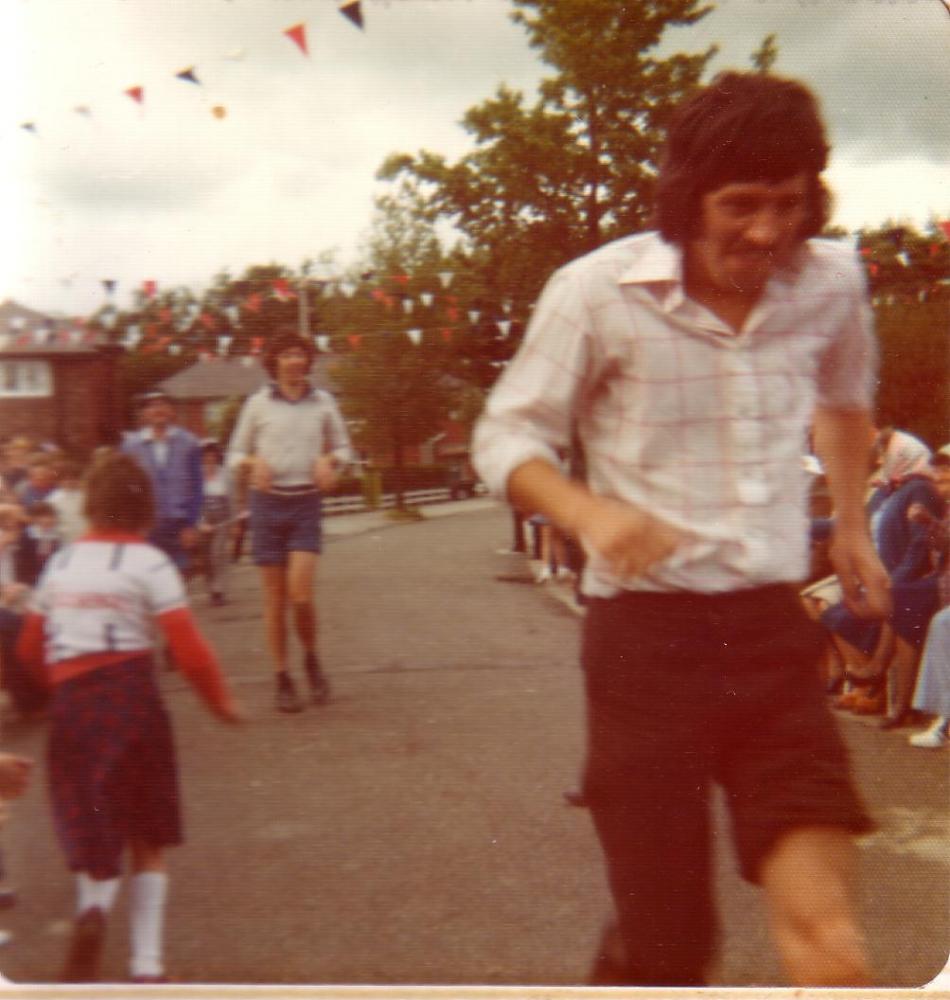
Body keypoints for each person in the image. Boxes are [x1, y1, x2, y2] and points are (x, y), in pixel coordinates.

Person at [473, 71, 889, 988]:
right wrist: (587, 513)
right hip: (643, 650)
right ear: (683, 197)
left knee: (833, 942)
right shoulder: (597, 293)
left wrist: (854, 524)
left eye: (789, 205)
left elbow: (847, 401)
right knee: (671, 952)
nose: (768, 233)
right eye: (740, 205)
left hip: (775, 640)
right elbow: (505, 435)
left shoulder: (830, 284)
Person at [15, 452, 242, 984]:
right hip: (132, 700)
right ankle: (146, 964)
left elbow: (29, 645)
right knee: (148, 833)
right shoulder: (150, 563)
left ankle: (93, 906)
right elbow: (188, 648)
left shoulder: (62, 563)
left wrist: (57, 685)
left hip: (74, 704)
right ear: (145, 509)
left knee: (94, 821)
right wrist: (220, 702)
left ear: (90, 506)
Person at [227, 332, 352, 714]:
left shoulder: (323, 402)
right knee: (274, 600)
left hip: (304, 504)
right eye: (287, 355)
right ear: (274, 362)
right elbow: (234, 453)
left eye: (301, 354)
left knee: (300, 596)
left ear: (308, 361)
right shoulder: (258, 403)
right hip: (266, 504)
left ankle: (311, 658)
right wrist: (252, 463)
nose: (295, 361)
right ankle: (283, 676)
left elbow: (345, 448)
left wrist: (329, 462)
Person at [121, 391, 203, 572]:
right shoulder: (130, 446)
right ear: (143, 413)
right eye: (151, 405)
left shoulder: (188, 442)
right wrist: (134, 524)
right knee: (148, 574)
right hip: (146, 525)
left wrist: (191, 524)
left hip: (178, 524)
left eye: (163, 404)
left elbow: (197, 486)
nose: (158, 409)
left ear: (173, 410)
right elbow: (126, 489)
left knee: (179, 575)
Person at [196, 440, 236, 607]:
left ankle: (219, 590)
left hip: (222, 520)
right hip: (204, 519)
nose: (209, 457)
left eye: (212, 454)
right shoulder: (197, 475)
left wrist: (234, 523)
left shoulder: (225, 474)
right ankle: (211, 589)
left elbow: (232, 499)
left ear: (217, 455)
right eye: (206, 454)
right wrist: (200, 522)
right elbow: (194, 501)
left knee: (217, 553)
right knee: (206, 557)